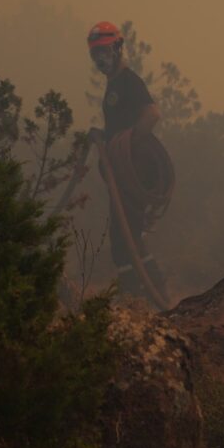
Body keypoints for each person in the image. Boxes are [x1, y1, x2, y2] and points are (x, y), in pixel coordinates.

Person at [87, 21, 167, 300]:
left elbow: (152, 114)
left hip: (134, 171)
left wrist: (127, 147)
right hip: (121, 173)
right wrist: (105, 137)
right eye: (94, 52)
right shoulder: (113, 84)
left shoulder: (129, 81)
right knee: (130, 236)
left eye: (105, 50)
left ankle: (137, 299)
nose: (100, 57)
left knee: (124, 241)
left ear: (118, 47)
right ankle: (154, 291)